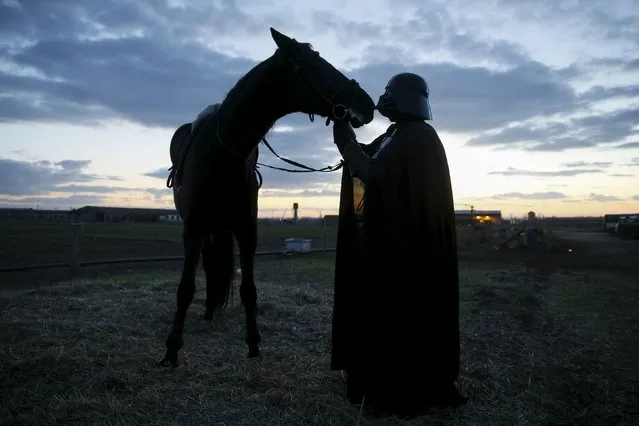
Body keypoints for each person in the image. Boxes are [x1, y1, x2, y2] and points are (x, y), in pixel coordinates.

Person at [330, 72, 468, 417]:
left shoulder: (419, 137)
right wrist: (345, 133)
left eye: (390, 92)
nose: (385, 98)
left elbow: (373, 174)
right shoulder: (395, 135)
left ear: (405, 98)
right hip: (391, 244)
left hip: (409, 252)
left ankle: (400, 385)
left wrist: (346, 145)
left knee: (401, 319)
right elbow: (366, 160)